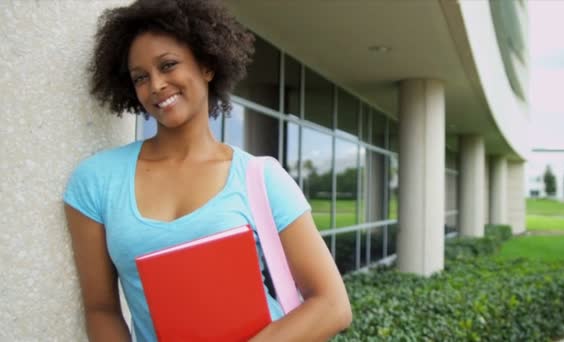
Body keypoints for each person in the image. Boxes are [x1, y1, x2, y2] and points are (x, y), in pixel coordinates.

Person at [63, 0, 352, 341]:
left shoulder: (260, 178)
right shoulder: (96, 181)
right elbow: (101, 309)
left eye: (168, 65)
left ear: (207, 66)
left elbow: (333, 305)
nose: (156, 85)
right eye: (141, 77)